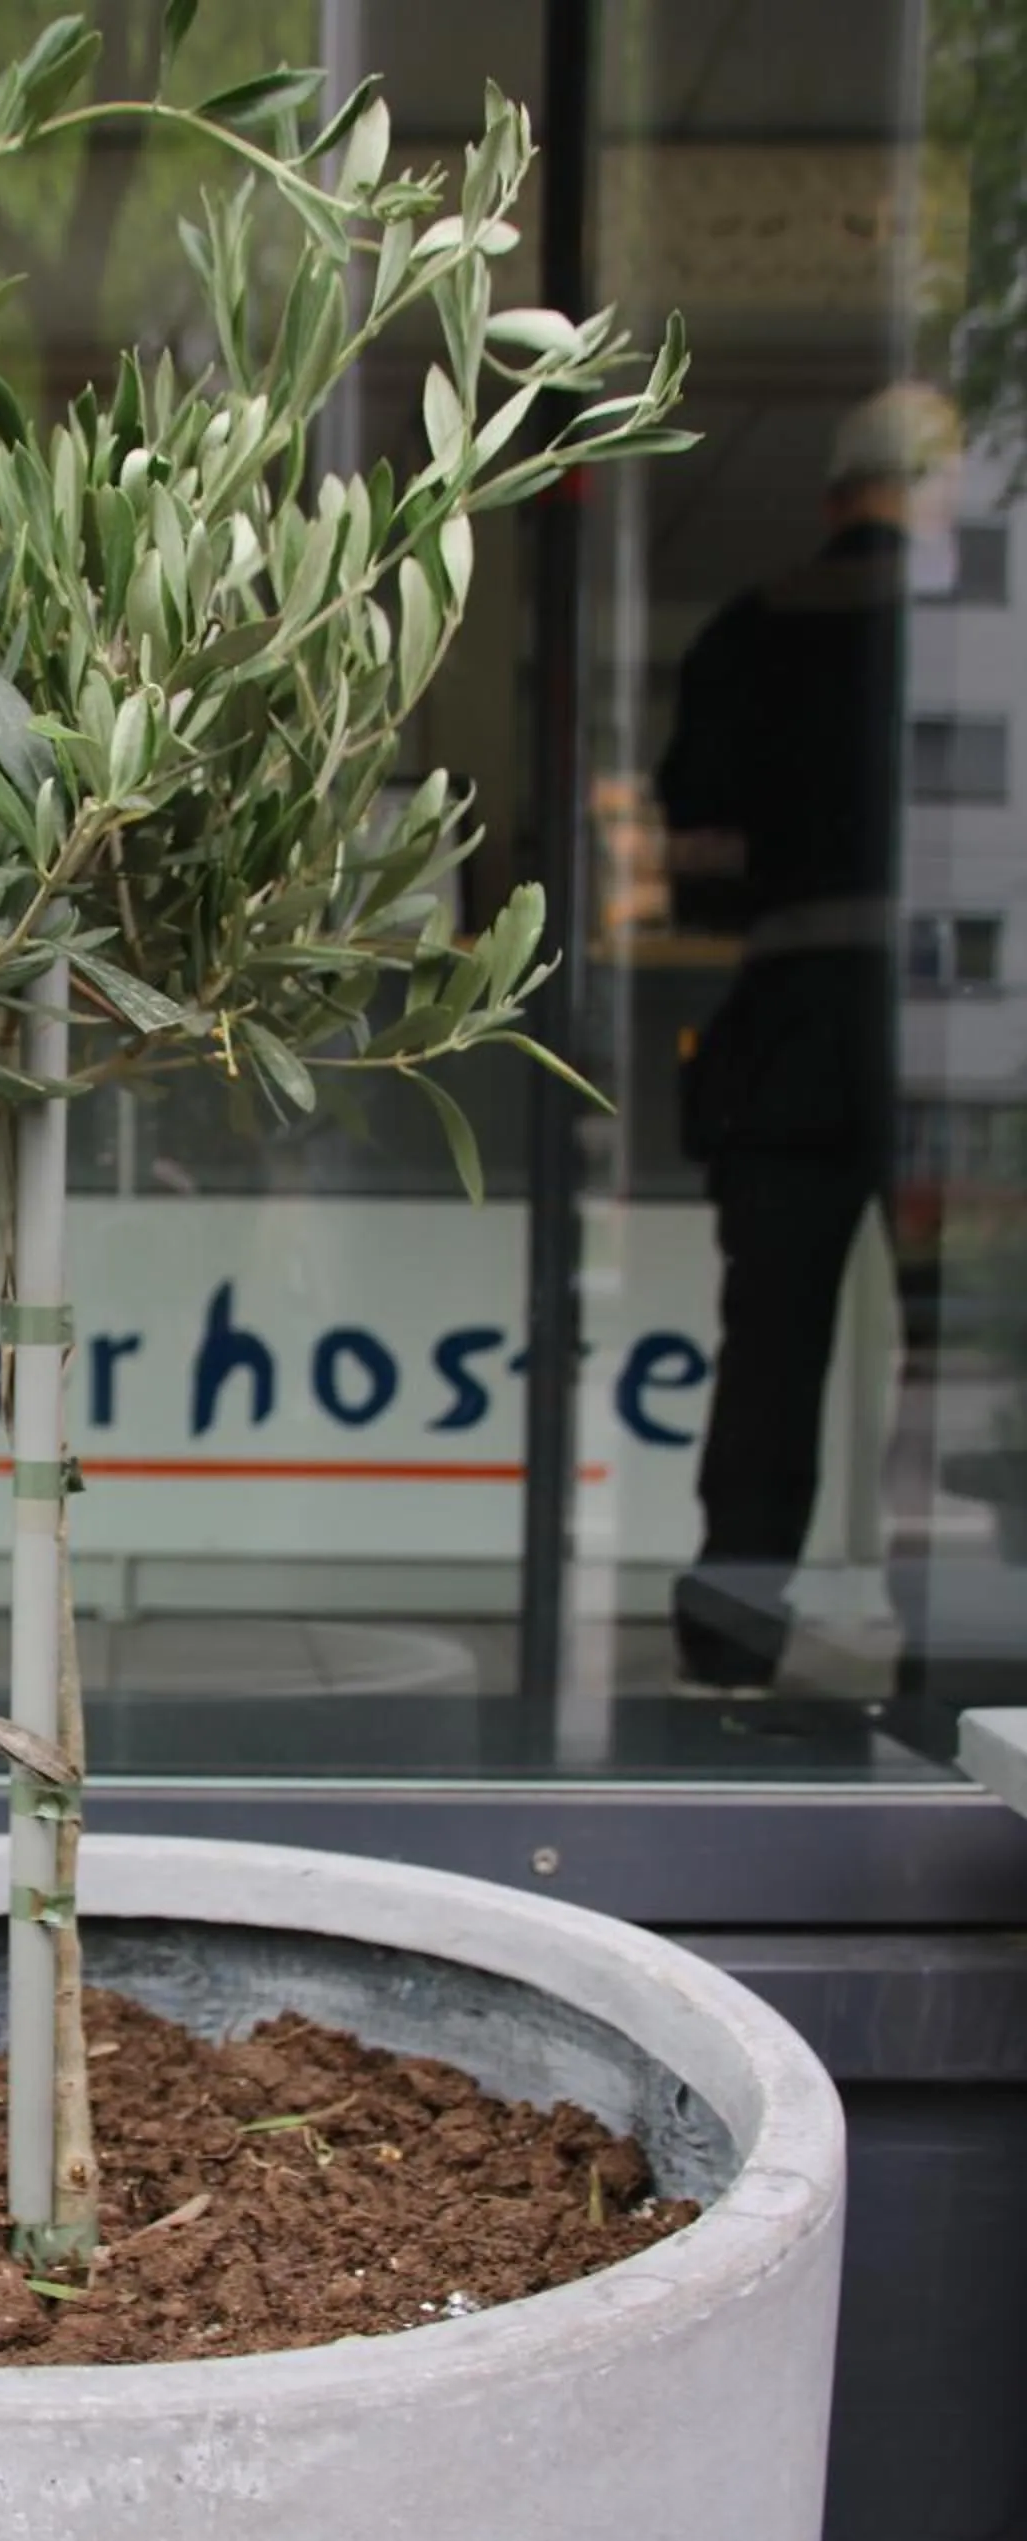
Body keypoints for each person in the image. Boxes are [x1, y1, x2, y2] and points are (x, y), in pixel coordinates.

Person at [657, 382, 960, 1695]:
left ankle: (734, 1634)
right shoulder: (972, 635)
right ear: (937, 495)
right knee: (947, 1358)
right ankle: (946, 1639)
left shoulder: (748, 633)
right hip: (952, 1041)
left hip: (787, 1032)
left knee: (769, 1351)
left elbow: (698, 869)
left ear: (836, 494)